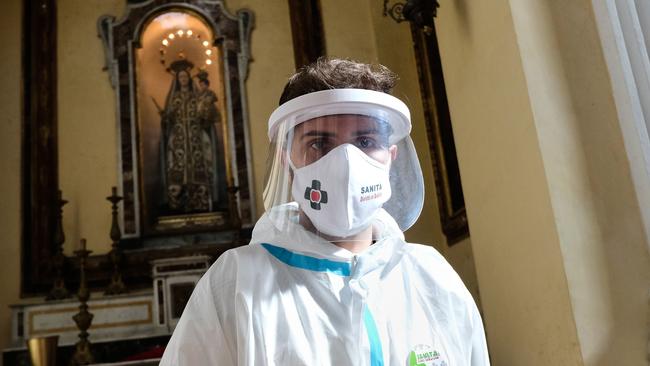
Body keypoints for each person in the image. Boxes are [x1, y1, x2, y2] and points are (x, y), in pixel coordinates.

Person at [160, 58, 490, 365]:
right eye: (319, 143)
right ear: (289, 163)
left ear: (390, 157)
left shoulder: (431, 277)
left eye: (365, 142)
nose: (345, 163)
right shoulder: (235, 285)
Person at [160, 61, 215, 213]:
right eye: (180, 77)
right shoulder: (174, 98)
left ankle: (200, 202)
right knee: (177, 167)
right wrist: (165, 118)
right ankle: (177, 205)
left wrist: (205, 111)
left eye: (185, 76)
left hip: (195, 137)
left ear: (189, 78)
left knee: (198, 166)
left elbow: (204, 116)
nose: (183, 79)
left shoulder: (196, 96)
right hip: (178, 139)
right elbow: (168, 118)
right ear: (177, 80)